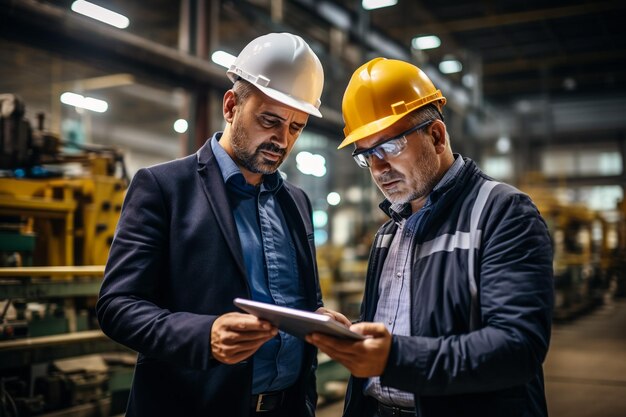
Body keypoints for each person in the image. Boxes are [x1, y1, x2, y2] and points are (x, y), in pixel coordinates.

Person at [96, 32, 349, 417]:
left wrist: (318, 320)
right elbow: (117, 306)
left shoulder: (294, 201)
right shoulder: (164, 187)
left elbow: (302, 302)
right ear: (231, 106)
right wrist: (204, 335)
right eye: (270, 120)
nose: (282, 139)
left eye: (295, 127)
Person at [306, 57, 554, 417]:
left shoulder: (502, 213)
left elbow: (518, 347)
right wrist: (353, 335)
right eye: (367, 155)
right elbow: (406, 327)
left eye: (389, 147)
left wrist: (395, 358)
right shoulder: (389, 234)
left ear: (436, 135)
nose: (378, 168)